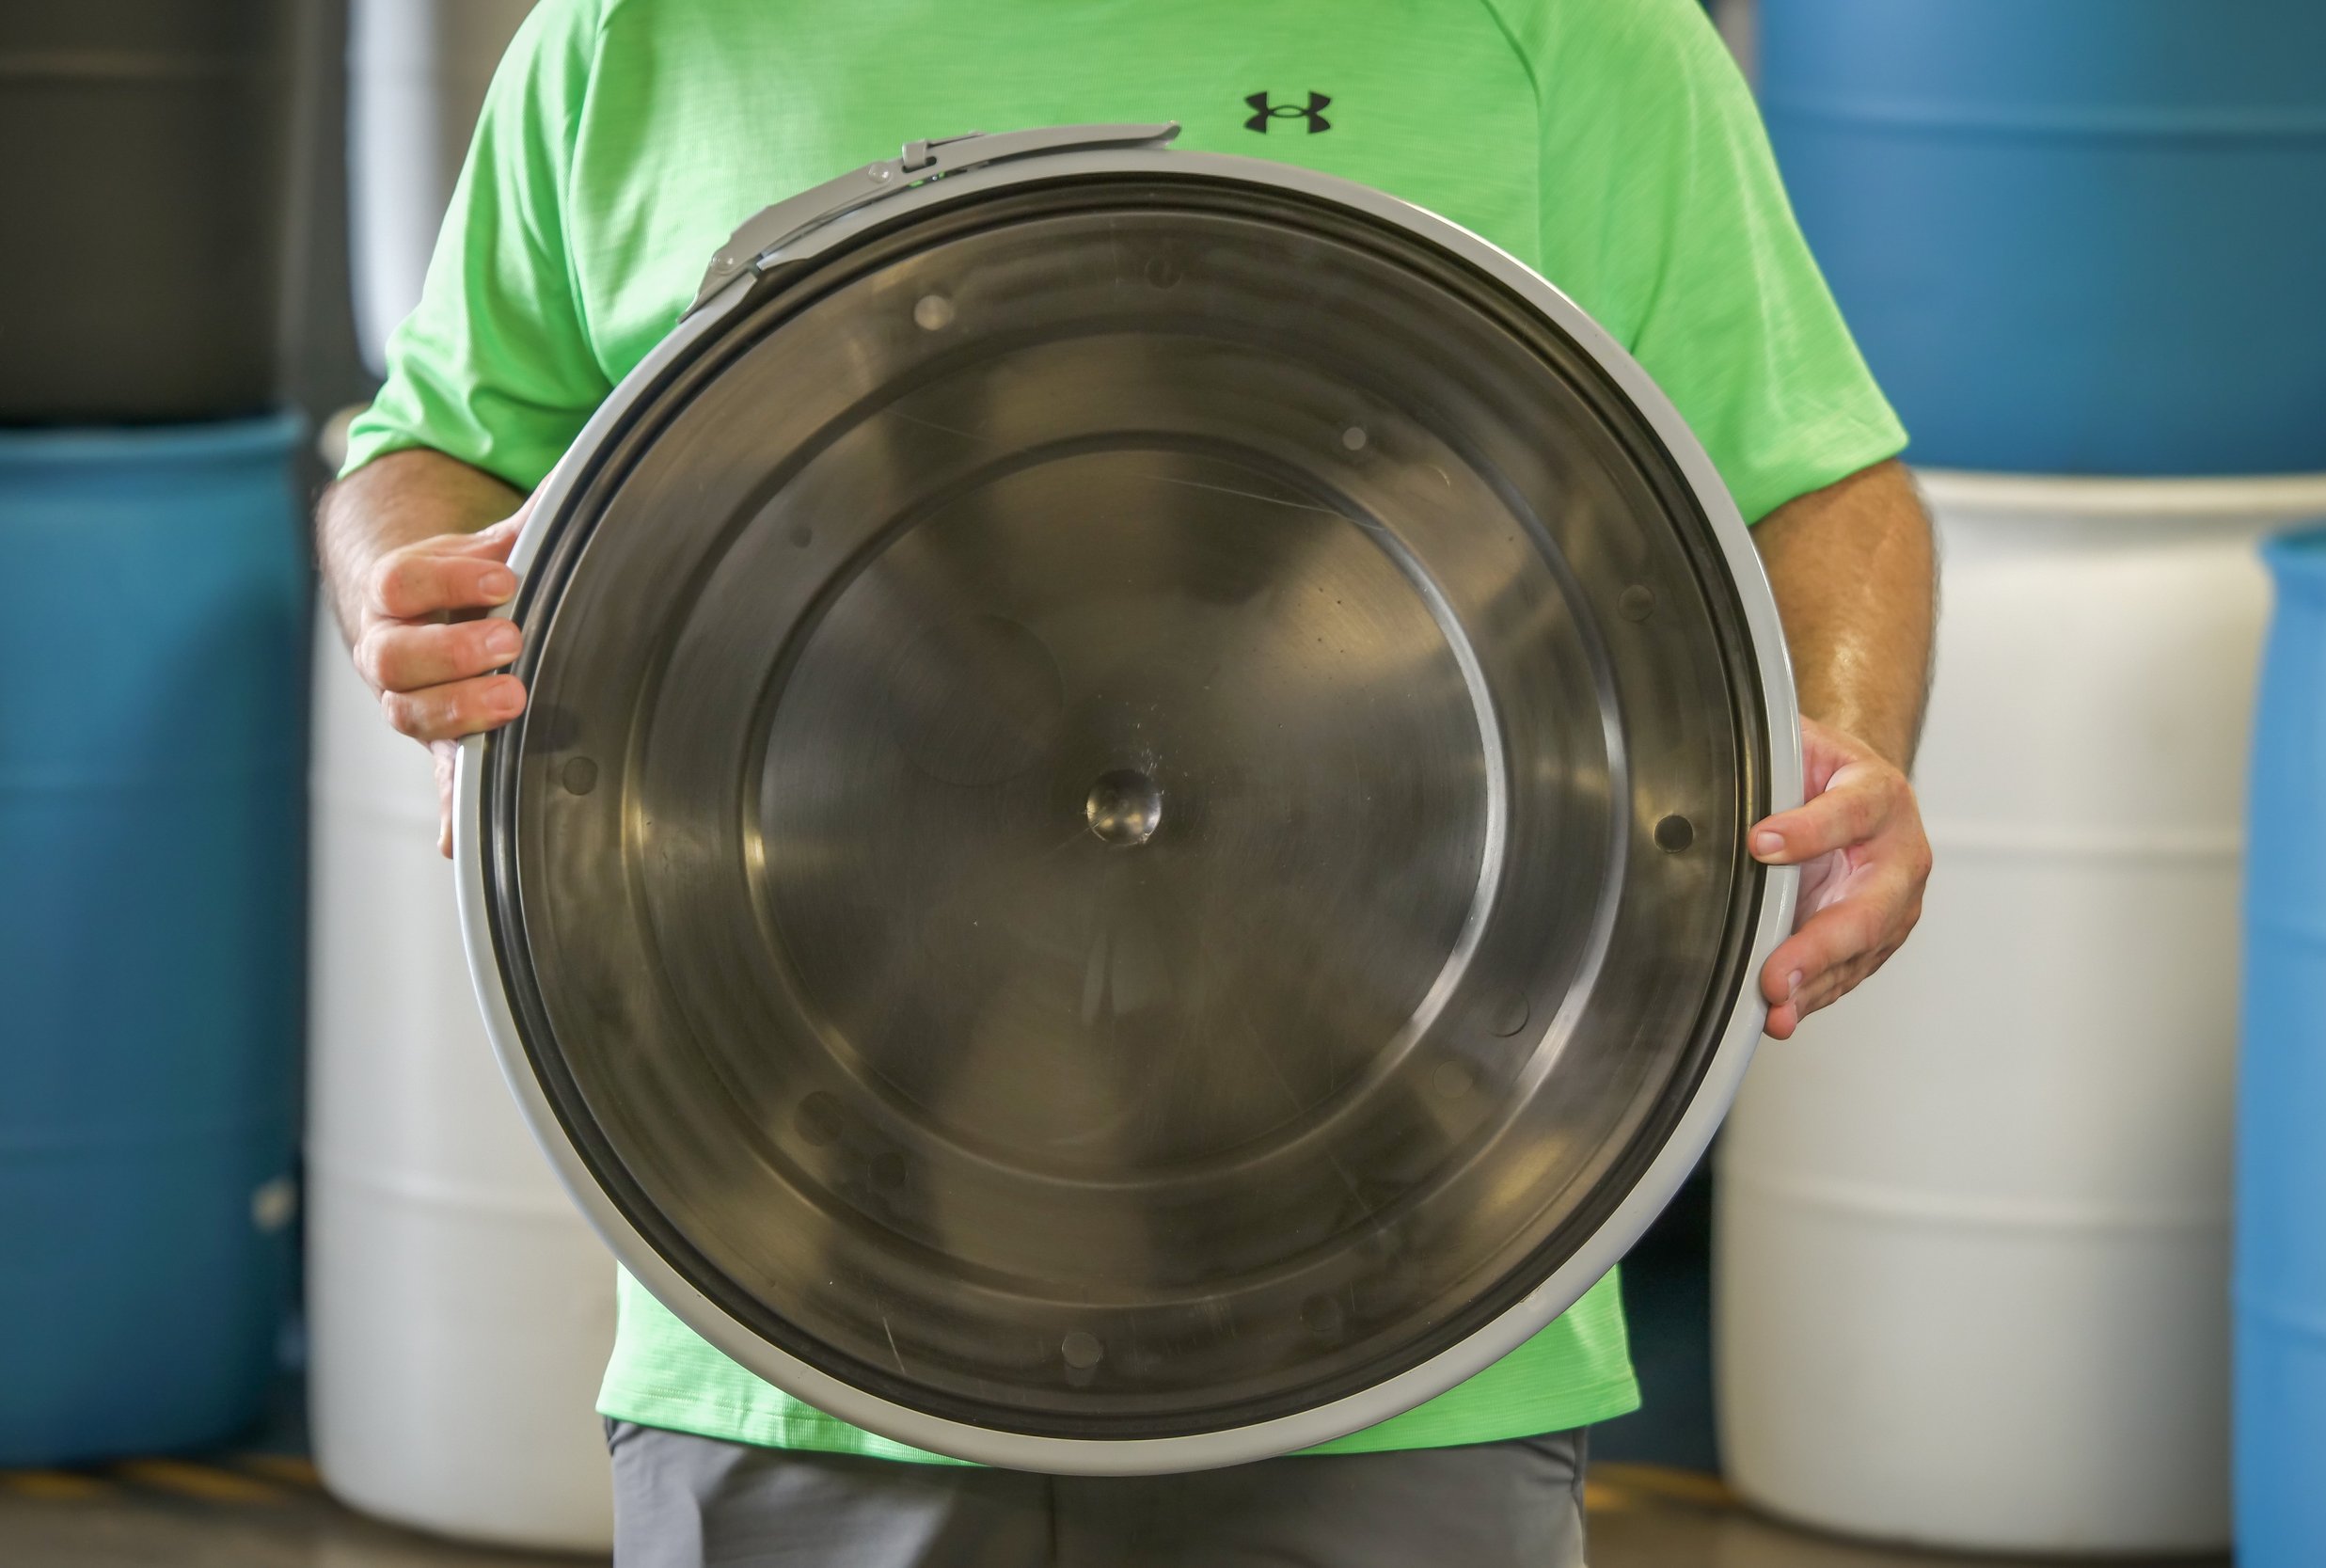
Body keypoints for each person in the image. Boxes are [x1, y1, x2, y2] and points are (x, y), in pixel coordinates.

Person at [317, 1, 1935, 1562]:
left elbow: (1807, 475)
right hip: (786, 1318)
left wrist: (1851, 744)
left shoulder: (1554, 28)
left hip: (1421, 1319)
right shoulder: (639, 29)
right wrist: (409, 581)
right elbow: (440, 443)